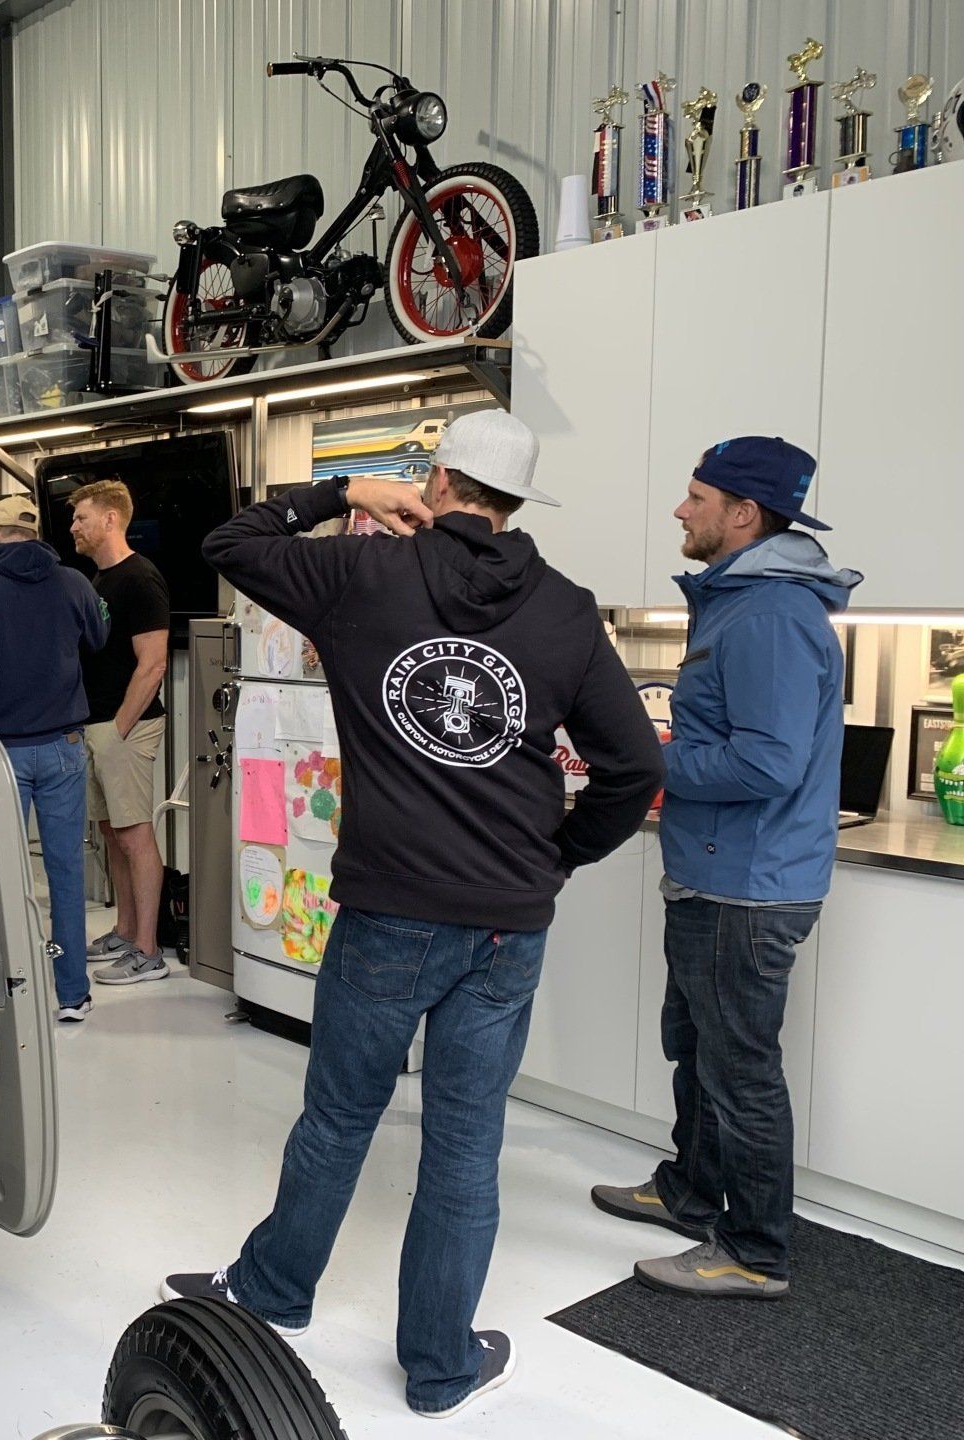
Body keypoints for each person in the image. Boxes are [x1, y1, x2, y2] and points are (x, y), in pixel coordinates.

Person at [161, 410, 664, 1418]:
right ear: (517, 503)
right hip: (506, 925)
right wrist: (557, 856)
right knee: (467, 1143)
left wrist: (343, 494)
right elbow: (638, 765)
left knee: (341, 1114)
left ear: (435, 482)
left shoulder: (365, 578)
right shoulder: (566, 610)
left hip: (388, 911)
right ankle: (440, 1366)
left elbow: (227, 545)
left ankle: (273, 1293)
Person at [593, 437, 859, 1300]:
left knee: (739, 1070)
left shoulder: (771, 616)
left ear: (743, 515)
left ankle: (754, 1251)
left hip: (749, 886)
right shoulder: (738, 602)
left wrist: (651, 761)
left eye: (696, 496)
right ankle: (690, 1192)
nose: (680, 509)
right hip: (714, 874)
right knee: (697, 1049)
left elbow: (768, 764)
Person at [0, 496, 109, 1022]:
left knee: (4, 872)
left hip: (0, 749)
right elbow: (99, 638)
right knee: (64, 873)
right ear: (36, 534)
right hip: (65, 746)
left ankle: (8, 990)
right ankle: (72, 995)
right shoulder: (75, 583)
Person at [66, 479, 174, 985]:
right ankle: (126, 931)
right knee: (112, 832)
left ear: (110, 519)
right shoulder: (98, 579)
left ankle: (149, 952)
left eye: (81, 518)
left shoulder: (140, 578)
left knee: (134, 835)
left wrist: (117, 729)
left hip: (125, 728)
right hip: (99, 724)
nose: (74, 527)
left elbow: (152, 665)